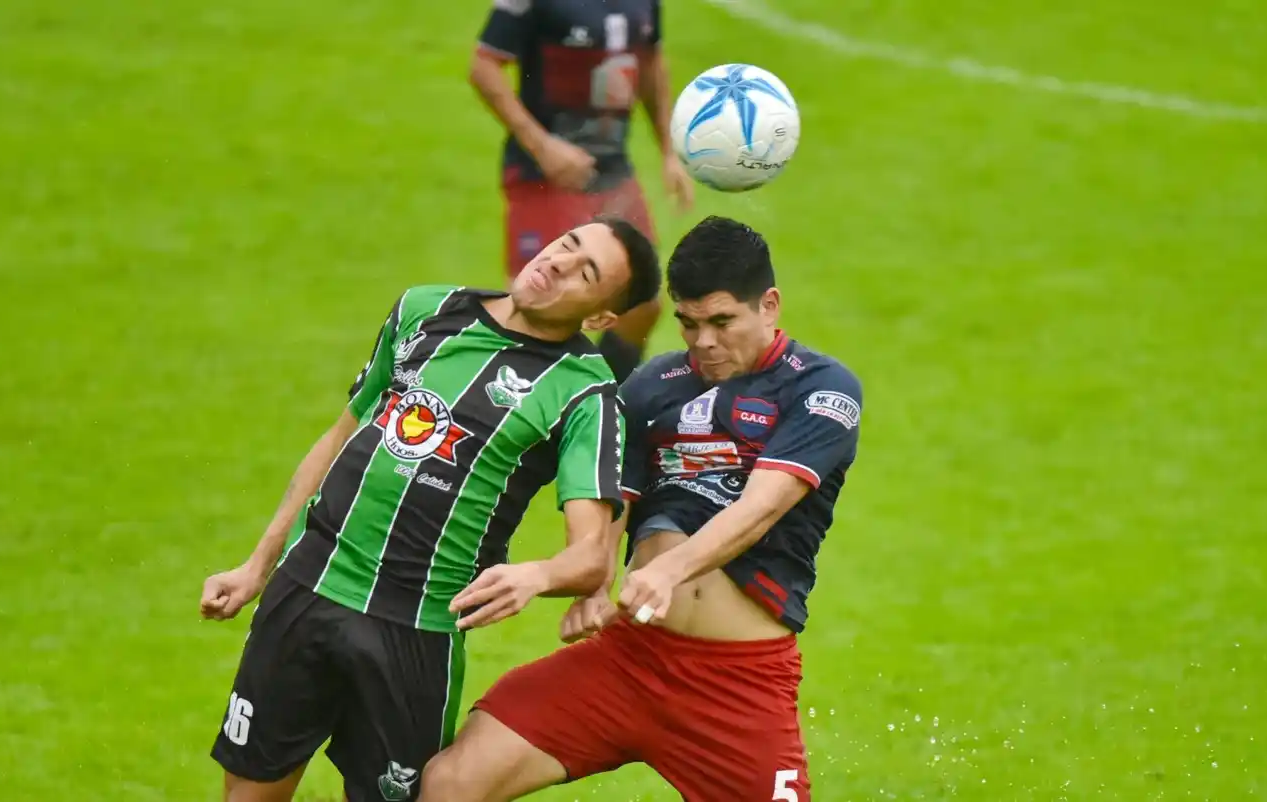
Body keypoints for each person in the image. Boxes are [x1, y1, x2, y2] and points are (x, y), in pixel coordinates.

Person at [199, 216, 660, 802]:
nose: (559, 263)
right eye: (567, 244)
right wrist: (256, 567)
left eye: (586, 272)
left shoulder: (584, 392)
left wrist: (536, 575)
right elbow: (340, 438)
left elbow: (593, 555)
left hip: (414, 634)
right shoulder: (424, 310)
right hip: (306, 589)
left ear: (600, 318)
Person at [420, 216, 864, 801]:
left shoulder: (821, 389)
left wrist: (664, 572)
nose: (704, 342)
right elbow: (613, 499)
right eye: (688, 323)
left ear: (770, 305)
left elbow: (761, 507)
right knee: (452, 782)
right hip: (630, 659)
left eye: (722, 321)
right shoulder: (652, 384)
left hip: (738, 683)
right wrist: (594, 584)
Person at [470, 0, 695, 384]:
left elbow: (650, 60)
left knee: (642, 303)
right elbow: (483, 66)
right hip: (543, 174)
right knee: (534, 309)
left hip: (612, 170)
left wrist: (668, 151)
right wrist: (542, 146)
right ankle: (504, 413)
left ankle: (597, 404)